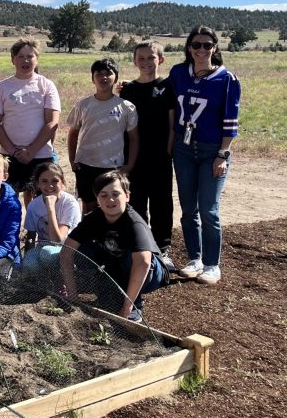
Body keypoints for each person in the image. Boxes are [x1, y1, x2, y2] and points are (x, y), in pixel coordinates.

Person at [169, 26, 241, 285]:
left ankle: (212, 264)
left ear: (215, 48)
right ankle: (194, 259)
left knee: (209, 209)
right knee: (188, 208)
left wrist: (223, 154)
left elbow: (231, 123)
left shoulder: (227, 80)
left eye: (207, 45)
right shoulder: (178, 73)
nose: (201, 50)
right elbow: (161, 96)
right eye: (196, 45)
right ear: (189, 47)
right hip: (184, 149)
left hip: (213, 151)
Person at [58, 171, 167, 322]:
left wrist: (127, 307)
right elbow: (66, 252)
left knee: (135, 257)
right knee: (82, 249)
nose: (110, 199)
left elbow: (144, 262)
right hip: (115, 264)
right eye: (103, 195)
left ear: (127, 196)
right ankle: (106, 294)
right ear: (97, 199)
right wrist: (72, 294)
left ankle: (134, 304)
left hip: (150, 274)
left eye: (116, 194)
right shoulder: (93, 218)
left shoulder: (134, 222)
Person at [120, 41, 176, 268]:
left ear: (160, 60)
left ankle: (162, 250)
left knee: (162, 203)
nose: (146, 62)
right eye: (140, 59)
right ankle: (142, 248)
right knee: (137, 203)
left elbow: (173, 123)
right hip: (133, 157)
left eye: (151, 58)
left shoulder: (168, 86)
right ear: (134, 62)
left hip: (160, 156)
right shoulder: (127, 90)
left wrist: (169, 151)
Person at [0, 38, 61, 199]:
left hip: (41, 154)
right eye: (20, 56)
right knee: (7, 199)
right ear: (12, 60)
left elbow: (52, 122)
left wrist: (32, 150)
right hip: (9, 155)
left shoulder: (47, 85)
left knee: (40, 201)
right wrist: (13, 150)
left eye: (30, 56)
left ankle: (33, 225)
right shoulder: (2, 87)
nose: (25, 61)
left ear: (37, 59)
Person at [65, 58, 139, 213]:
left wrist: (130, 165)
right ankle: (89, 237)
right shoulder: (83, 105)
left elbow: (134, 138)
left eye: (108, 73)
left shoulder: (127, 107)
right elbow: (72, 134)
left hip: (113, 167)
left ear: (116, 78)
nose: (103, 77)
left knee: (112, 206)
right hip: (86, 164)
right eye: (99, 73)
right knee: (89, 207)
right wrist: (72, 160)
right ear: (93, 78)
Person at [19, 162, 81, 283]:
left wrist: (50, 207)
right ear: (37, 184)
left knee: (47, 253)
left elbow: (57, 241)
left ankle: (62, 281)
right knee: (29, 262)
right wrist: (26, 263)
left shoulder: (69, 203)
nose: (50, 185)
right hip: (43, 247)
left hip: (68, 249)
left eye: (55, 181)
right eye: (44, 181)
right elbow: (30, 238)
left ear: (62, 183)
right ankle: (45, 282)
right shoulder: (33, 206)